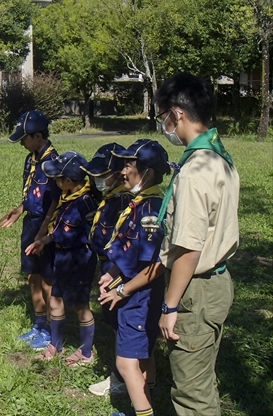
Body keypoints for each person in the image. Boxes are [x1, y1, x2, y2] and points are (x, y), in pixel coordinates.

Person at [156, 73, 238, 415]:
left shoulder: (193, 173)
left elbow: (188, 249)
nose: (163, 124)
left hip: (195, 289)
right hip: (218, 282)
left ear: (177, 114)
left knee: (191, 393)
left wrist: (170, 307)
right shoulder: (218, 158)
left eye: (162, 116)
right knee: (203, 378)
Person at [98, 139, 170, 416]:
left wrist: (122, 290)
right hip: (132, 290)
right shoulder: (138, 205)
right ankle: (147, 400)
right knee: (144, 354)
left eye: (128, 165)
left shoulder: (151, 212)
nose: (123, 171)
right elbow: (130, 251)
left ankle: (142, 411)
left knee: (126, 363)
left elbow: (156, 265)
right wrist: (113, 272)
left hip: (139, 297)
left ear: (148, 172)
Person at [25, 151, 98, 366]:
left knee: (80, 306)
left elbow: (82, 234)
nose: (55, 182)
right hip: (62, 258)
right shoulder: (68, 198)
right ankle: (55, 345)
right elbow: (59, 230)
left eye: (58, 178)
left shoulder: (85, 202)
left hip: (79, 261)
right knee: (56, 301)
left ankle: (86, 352)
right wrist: (44, 241)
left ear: (68, 181)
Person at [0, 110, 59, 349]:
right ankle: (39, 324)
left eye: (24, 138)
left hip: (46, 227)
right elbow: (32, 193)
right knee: (32, 276)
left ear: (37, 135)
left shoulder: (53, 163)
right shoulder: (31, 159)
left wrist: (42, 233)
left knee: (47, 279)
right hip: (31, 223)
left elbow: (55, 201)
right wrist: (19, 209)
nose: (22, 143)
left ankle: (53, 331)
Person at [81, 143, 132, 396]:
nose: (98, 180)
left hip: (119, 268)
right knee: (114, 322)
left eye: (103, 175)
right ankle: (122, 373)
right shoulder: (110, 196)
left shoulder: (126, 201)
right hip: (108, 264)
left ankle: (122, 377)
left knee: (122, 323)